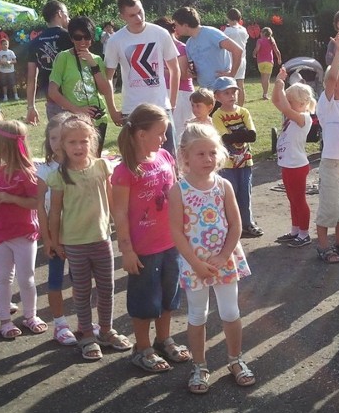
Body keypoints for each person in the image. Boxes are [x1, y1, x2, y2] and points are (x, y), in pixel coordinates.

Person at [169, 123, 254, 394]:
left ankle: (235, 359)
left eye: (211, 153)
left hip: (224, 260)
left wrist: (223, 256)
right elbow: (176, 232)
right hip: (195, 263)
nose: (208, 159)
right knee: (197, 315)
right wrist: (196, 264)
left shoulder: (224, 185)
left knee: (230, 311)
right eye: (200, 154)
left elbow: (236, 225)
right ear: (185, 156)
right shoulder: (178, 190)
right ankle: (200, 366)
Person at [110, 103, 190, 373]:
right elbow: (119, 214)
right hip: (143, 250)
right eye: (160, 133)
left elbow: (176, 194)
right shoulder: (124, 172)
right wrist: (127, 251)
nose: (164, 138)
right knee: (145, 301)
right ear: (141, 134)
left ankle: (163, 339)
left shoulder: (165, 156)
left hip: (171, 243)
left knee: (169, 297)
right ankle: (141, 347)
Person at [47, 114, 133, 360]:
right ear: (62, 145)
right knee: (82, 291)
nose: (78, 147)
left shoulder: (101, 167)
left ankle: (105, 330)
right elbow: (54, 212)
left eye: (84, 141)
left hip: (101, 238)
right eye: (72, 142)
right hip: (74, 243)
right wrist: (54, 240)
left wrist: (118, 226)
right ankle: (86, 334)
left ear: (92, 141)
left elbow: (111, 198)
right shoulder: (58, 176)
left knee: (107, 288)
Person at [0, 120, 45, 338]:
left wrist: (11, 198)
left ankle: (30, 316)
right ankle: (5, 320)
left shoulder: (28, 173)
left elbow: (35, 202)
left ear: (3, 147)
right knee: (3, 278)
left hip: (23, 233)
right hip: (1, 233)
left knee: (26, 277)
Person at [104, 0, 180, 156]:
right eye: (132, 15)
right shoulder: (115, 40)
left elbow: (175, 69)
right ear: (122, 16)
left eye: (140, 11)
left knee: (169, 159)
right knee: (135, 160)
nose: (138, 17)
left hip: (161, 107)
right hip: (132, 109)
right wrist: (112, 109)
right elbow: (108, 77)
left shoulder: (160, 33)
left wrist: (172, 102)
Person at [35, 114, 80, 346]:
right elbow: (40, 206)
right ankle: (60, 324)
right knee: (54, 280)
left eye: (61, 137)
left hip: (78, 235)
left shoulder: (79, 166)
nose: (56, 142)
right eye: (52, 137)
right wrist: (47, 238)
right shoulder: (44, 170)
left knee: (80, 279)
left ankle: (83, 321)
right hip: (54, 235)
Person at [313, 33, 339, 262]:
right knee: (329, 206)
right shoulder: (327, 104)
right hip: (331, 163)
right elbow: (330, 80)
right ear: (335, 84)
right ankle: (322, 246)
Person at [46, 16, 114, 155]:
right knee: (77, 162)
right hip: (74, 120)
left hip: (98, 118)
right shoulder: (63, 57)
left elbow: (105, 90)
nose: (83, 41)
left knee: (95, 162)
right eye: (78, 37)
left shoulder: (97, 59)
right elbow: (53, 92)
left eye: (87, 37)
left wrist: (93, 65)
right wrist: (77, 110)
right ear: (71, 38)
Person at [211, 76, 263, 238]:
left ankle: (247, 223)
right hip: (227, 163)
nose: (231, 96)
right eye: (226, 93)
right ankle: (231, 225)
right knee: (229, 194)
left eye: (233, 92)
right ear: (217, 96)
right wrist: (242, 134)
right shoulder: (217, 116)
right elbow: (226, 138)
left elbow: (252, 136)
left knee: (245, 193)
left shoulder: (244, 112)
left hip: (245, 161)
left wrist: (236, 134)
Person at [271, 70, 315, 249]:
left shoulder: (304, 118)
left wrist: (281, 85)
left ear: (303, 103)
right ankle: (295, 230)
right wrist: (278, 83)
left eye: (291, 101)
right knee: (292, 199)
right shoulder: (291, 118)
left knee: (299, 200)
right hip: (287, 165)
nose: (287, 104)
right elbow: (276, 101)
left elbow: (285, 108)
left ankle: (304, 234)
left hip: (297, 166)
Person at [173, 6, 242, 93]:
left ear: (186, 25)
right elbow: (194, 68)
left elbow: (237, 50)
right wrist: (191, 72)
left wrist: (232, 74)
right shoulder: (189, 44)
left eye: (176, 25)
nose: (175, 29)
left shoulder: (211, 33)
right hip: (205, 91)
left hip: (223, 88)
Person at [26, 0, 72, 125]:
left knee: (57, 139)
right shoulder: (69, 37)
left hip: (51, 100)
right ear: (59, 13)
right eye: (67, 14)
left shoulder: (35, 42)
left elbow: (31, 78)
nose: (69, 18)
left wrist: (31, 106)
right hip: (73, 98)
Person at [153, 16, 195, 136]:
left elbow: (182, 74)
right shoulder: (157, 48)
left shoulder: (180, 47)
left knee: (182, 130)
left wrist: (161, 70)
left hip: (182, 92)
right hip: (163, 90)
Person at [224, 8, 250, 106]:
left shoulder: (228, 31)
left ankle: (230, 105)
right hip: (242, 59)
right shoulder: (243, 30)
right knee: (240, 85)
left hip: (231, 59)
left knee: (229, 84)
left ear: (229, 18)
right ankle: (241, 107)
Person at [252, 26, 281, 100]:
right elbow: (277, 51)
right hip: (269, 61)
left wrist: (254, 54)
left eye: (261, 32)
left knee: (263, 77)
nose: (260, 33)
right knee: (267, 78)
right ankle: (265, 94)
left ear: (264, 33)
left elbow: (257, 49)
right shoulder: (272, 40)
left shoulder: (259, 41)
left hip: (260, 62)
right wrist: (279, 59)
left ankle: (264, 93)